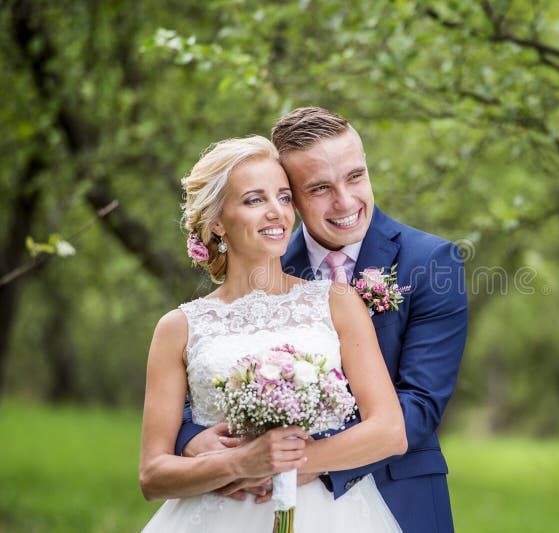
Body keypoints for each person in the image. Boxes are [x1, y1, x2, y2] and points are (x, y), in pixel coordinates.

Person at [177, 108, 469, 533]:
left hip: (399, 494)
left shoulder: (431, 263)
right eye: (319, 188)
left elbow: (420, 403)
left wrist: (296, 460)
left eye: (355, 176)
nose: (346, 202)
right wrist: (191, 438)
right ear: (289, 194)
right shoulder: (263, 259)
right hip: (259, 504)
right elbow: (212, 359)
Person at [139, 135, 407, 532]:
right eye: (254, 200)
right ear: (216, 221)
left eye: (283, 198)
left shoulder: (337, 302)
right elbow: (153, 474)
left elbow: (389, 431)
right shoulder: (178, 328)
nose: (277, 213)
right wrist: (236, 464)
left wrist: (289, 460)